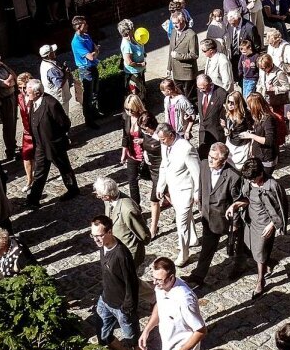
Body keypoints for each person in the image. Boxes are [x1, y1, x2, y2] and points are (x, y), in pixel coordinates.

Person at [184, 143, 244, 289]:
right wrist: (200, 206)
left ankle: (239, 266)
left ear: (223, 161)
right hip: (208, 216)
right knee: (207, 248)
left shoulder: (233, 176)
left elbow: (237, 201)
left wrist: (235, 223)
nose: (210, 160)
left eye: (214, 159)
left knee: (237, 246)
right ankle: (198, 276)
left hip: (225, 218)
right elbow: (201, 185)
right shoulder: (204, 164)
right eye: (210, 157)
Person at [91, 215, 144, 350]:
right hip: (105, 300)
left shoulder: (121, 255)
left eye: (100, 235)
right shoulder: (103, 247)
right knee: (103, 335)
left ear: (110, 231)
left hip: (122, 306)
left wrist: (127, 308)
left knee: (133, 339)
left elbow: (132, 283)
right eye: (93, 235)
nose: (96, 239)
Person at [227, 157, 288, 297]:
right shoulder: (248, 181)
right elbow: (247, 199)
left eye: (253, 180)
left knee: (260, 253)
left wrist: (272, 225)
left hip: (264, 224)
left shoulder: (273, 186)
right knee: (251, 249)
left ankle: (260, 281)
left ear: (260, 174)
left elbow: (281, 208)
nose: (250, 182)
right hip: (249, 221)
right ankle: (268, 263)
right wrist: (235, 205)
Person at [25, 79, 79, 209]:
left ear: (37, 92)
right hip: (40, 145)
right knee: (40, 172)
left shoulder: (51, 103)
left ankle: (73, 190)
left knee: (64, 167)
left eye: (28, 90)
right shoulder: (33, 102)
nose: (26, 92)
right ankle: (33, 199)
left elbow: (64, 123)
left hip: (54, 144)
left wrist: (56, 138)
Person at [156, 123, 200, 267]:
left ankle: (184, 253)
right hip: (174, 190)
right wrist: (160, 186)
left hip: (185, 190)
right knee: (186, 217)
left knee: (181, 223)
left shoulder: (186, 148)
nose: (161, 142)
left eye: (163, 139)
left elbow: (197, 172)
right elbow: (164, 165)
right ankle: (193, 239)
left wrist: (197, 192)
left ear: (171, 135)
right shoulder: (165, 145)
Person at [93, 177, 151, 270]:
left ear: (107, 196)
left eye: (100, 196)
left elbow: (143, 234)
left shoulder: (128, 209)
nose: (98, 197)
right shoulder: (108, 201)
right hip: (116, 248)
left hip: (128, 252)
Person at [70, 16, 103, 128]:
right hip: (85, 70)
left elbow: (94, 51)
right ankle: (89, 120)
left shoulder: (86, 36)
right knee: (88, 96)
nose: (87, 25)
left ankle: (95, 113)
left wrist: (95, 52)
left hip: (92, 67)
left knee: (95, 92)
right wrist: (95, 52)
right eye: (85, 24)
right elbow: (91, 56)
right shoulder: (76, 42)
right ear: (78, 27)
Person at [242, 92, 280, 177]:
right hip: (258, 154)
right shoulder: (258, 117)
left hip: (266, 157)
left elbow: (269, 140)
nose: (248, 108)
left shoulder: (268, 119)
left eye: (249, 106)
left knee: (264, 178)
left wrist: (251, 136)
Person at [166, 12, 200, 101]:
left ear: (183, 21)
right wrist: (169, 68)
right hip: (176, 72)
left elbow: (195, 55)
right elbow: (171, 50)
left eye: (176, 23)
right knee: (179, 96)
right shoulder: (173, 32)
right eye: (173, 23)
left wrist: (178, 56)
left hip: (187, 73)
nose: (174, 25)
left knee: (190, 98)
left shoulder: (191, 34)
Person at [196, 74, 228, 160]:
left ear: (210, 84)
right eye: (199, 88)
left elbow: (226, 113)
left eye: (203, 88)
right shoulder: (199, 91)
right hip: (203, 131)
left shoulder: (221, 93)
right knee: (203, 157)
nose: (201, 90)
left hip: (216, 132)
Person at [38, 44, 73, 115]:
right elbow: (59, 84)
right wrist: (66, 74)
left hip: (54, 97)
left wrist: (63, 69)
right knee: (63, 117)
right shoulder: (51, 69)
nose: (55, 52)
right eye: (52, 52)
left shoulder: (46, 62)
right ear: (48, 55)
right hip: (59, 98)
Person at [223, 91, 253, 169]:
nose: (229, 104)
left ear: (237, 103)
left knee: (241, 167)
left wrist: (251, 146)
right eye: (228, 102)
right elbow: (227, 126)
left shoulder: (246, 115)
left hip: (242, 145)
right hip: (230, 142)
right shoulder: (227, 112)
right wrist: (225, 129)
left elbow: (252, 130)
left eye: (232, 103)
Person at [256, 54, 290, 119]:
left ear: (269, 65)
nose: (262, 70)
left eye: (263, 68)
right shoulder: (262, 72)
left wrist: (275, 88)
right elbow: (259, 83)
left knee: (281, 120)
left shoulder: (279, 73)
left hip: (279, 102)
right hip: (268, 101)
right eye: (261, 68)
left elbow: (287, 87)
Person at [227, 9, 262, 73]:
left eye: (233, 23)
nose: (231, 25)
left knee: (246, 75)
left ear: (238, 19)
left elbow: (256, 44)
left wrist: (253, 58)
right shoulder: (230, 24)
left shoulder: (250, 27)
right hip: (234, 56)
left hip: (246, 58)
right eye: (230, 23)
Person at [119, 19, 147, 97]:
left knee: (142, 90)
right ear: (128, 32)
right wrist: (141, 64)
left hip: (139, 71)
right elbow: (129, 62)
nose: (134, 29)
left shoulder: (132, 38)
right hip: (133, 74)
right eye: (132, 28)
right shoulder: (126, 45)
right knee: (137, 94)